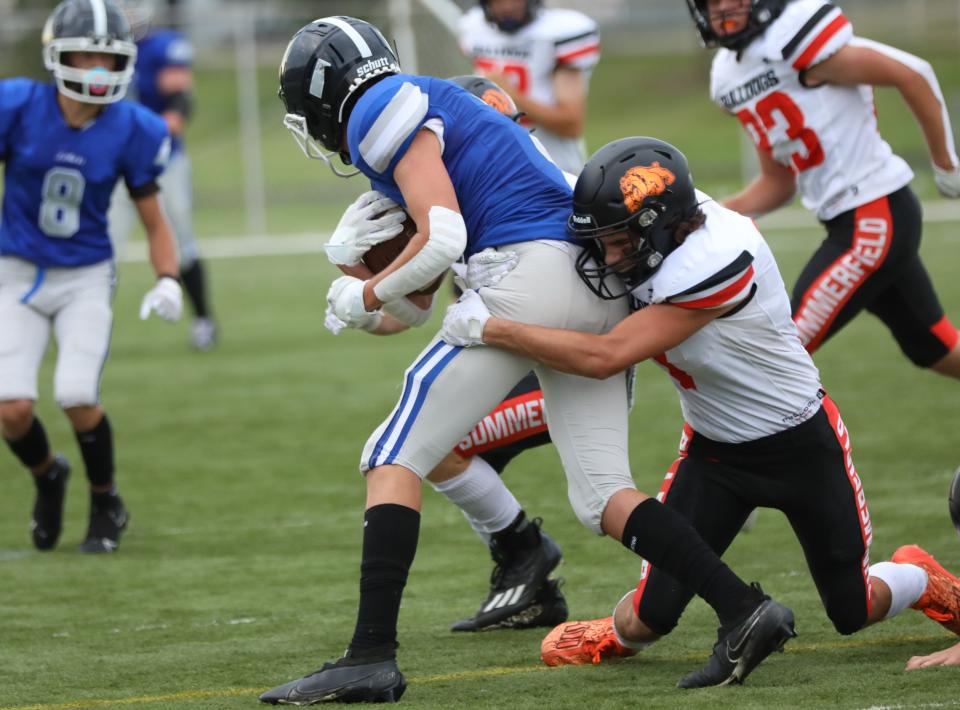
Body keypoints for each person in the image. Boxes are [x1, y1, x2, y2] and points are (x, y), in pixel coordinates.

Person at [262, 17, 794, 704]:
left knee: (390, 454)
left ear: (324, 90)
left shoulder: (376, 104)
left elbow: (442, 235)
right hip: (592, 283)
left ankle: (369, 655)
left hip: (527, 274)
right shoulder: (435, 124)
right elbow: (418, 303)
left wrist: (362, 285)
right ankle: (745, 608)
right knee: (602, 494)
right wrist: (355, 284)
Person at [440, 135, 960, 675]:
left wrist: (488, 326)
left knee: (854, 609)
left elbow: (603, 357)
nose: (608, 258)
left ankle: (920, 576)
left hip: (801, 441)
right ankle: (615, 630)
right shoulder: (657, 221)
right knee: (647, 619)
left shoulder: (717, 257)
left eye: (620, 243)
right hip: (714, 452)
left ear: (662, 228)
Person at [324, 74, 567, 634]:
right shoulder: (461, 200)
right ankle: (531, 578)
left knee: (429, 447)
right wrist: (352, 273)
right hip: (527, 360)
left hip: (569, 362)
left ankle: (527, 554)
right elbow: (409, 315)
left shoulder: (530, 196)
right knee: (434, 446)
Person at [685, 0, 960, 376]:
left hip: (873, 214)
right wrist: (701, 216)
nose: (722, 9)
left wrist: (947, 165)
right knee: (936, 348)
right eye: (711, 3)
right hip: (850, 221)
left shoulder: (794, 37)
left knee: (777, 356)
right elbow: (777, 183)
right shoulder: (729, 74)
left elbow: (913, 73)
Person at [0, 0, 182, 553]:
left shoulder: (133, 127)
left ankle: (106, 498)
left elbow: (155, 218)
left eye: (109, 58)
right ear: (59, 54)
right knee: (11, 405)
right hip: (17, 271)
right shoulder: (19, 105)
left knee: (77, 393)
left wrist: (168, 278)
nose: (98, 70)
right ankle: (47, 475)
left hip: (84, 274)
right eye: (87, 56)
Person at [110, 0, 218, 351]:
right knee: (102, 248)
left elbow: (179, 105)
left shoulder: (161, 46)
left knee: (181, 240)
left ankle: (203, 320)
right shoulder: (98, 48)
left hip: (161, 163)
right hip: (109, 164)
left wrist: (140, 136)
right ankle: (84, 324)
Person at [458, 0, 599, 175]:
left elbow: (570, 125)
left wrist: (509, 95)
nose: (507, 7)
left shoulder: (560, 33)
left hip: (554, 167)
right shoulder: (474, 27)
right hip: (495, 163)